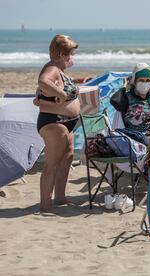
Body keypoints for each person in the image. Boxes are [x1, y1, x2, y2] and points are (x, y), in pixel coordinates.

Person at [34, 35, 80, 212]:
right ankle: (45, 205)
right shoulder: (52, 68)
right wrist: (60, 94)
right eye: (71, 54)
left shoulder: (60, 71)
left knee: (67, 158)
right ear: (62, 54)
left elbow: (42, 91)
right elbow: (43, 81)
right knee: (52, 164)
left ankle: (60, 198)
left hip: (67, 123)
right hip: (53, 123)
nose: (72, 57)